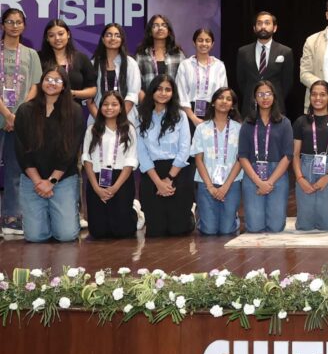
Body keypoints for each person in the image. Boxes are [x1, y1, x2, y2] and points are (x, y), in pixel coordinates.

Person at [13, 67, 84, 242]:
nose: (52, 83)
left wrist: (51, 182)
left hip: (63, 178)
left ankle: (65, 216)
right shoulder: (25, 110)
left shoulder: (74, 111)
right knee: (35, 237)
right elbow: (21, 150)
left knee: (66, 235)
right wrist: (38, 182)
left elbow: (70, 151)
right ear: (41, 82)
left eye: (57, 80)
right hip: (32, 179)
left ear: (64, 85)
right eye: (48, 79)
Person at [135, 75, 194, 238]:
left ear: (173, 93)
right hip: (152, 174)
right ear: (152, 91)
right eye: (159, 89)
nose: (163, 93)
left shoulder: (180, 116)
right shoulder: (141, 116)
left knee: (178, 230)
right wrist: (158, 183)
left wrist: (168, 179)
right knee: (156, 232)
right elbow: (141, 152)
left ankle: (190, 214)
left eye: (168, 89)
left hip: (176, 171)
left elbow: (185, 149)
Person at [2, 8, 42, 235]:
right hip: (5, 116)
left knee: (15, 170)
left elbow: (35, 86)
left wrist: (17, 114)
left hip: (21, 120)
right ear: (2, 25)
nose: (14, 26)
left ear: (24, 25)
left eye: (18, 22)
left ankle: (11, 218)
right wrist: (7, 114)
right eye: (10, 21)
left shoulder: (31, 54)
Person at [81, 91, 138, 239]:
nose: (109, 108)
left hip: (121, 179)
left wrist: (115, 188)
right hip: (97, 178)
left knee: (123, 232)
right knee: (98, 232)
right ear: (100, 107)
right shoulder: (92, 130)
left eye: (114, 104)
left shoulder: (129, 129)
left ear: (121, 108)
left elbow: (130, 161)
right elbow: (87, 159)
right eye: (105, 104)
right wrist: (96, 188)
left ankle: (136, 211)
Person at [238, 81, 292, 233]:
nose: (265, 97)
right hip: (253, 173)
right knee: (255, 227)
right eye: (260, 94)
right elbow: (242, 156)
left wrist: (269, 182)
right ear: (255, 98)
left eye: (268, 94)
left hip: (277, 174)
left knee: (276, 227)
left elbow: (288, 155)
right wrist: (258, 182)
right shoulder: (247, 123)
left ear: (274, 97)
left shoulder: (284, 123)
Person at [191, 87, 243, 236]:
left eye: (228, 99)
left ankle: (233, 217)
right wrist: (210, 187)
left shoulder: (239, 129)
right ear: (213, 102)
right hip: (206, 183)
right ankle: (201, 215)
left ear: (232, 105)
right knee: (209, 230)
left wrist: (225, 186)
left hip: (231, 183)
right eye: (220, 98)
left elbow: (240, 160)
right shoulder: (201, 128)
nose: (224, 101)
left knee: (227, 230)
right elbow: (198, 159)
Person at [292, 80, 328, 231]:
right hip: (305, 167)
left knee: (327, 225)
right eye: (314, 94)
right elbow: (295, 154)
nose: (317, 98)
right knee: (305, 226)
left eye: (322, 94)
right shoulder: (301, 121)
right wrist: (300, 178)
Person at [236, 11, 295, 117]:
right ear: (254, 28)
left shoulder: (285, 52)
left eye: (267, 23)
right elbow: (241, 81)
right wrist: (253, 95)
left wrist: (274, 97)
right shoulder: (243, 52)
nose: (263, 26)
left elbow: (287, 82)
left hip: (276, 107)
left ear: (275, 28)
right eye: (259, 23)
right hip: (250, 107)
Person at [175, 28, 229, 129]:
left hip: (213, 114)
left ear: (212, 44)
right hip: (188, 115)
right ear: (194, 43)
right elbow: (181, 94)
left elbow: (223, 93)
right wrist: (193, 118)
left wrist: (215, 117)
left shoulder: (219, 66)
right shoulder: (185, 65)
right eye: (200, 40)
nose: (204, 44)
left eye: (207, 41)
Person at [37, 18, 96, 108]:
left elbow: (92, 90)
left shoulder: (81, 58)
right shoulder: (38, 57)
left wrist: (72, 93)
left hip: (73, 111)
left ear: (68, 34)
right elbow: (33, 86)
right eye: (51, 35)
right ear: (47, 38)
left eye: (61, 34)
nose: (57, 38)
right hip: (43, 110)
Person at [88, 23, 142, 120]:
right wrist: (100, 120)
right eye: (109, 35)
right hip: (97, 120)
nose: (113, 38)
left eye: (117, 35)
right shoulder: (93, 64)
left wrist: (118, 119)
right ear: (103, 39)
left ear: (122, 40)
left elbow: (133, 94)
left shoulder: (131, 63)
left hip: (126, 119)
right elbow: (89, 98)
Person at [135, 14, 185, 96]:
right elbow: (136, 84)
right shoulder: (141, 55)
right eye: (155, 25)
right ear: (150, 31)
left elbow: (183, 84)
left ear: (169, 31)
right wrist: (146, 102)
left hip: (173, 101)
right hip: (148, 101)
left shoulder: (178, 54)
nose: (160, 28)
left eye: (164, 25)